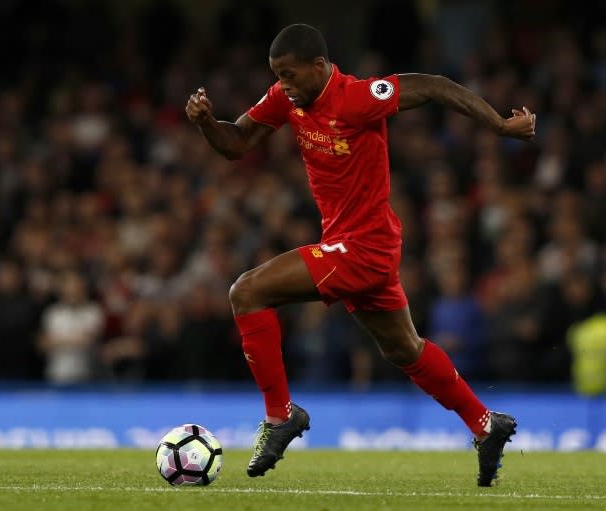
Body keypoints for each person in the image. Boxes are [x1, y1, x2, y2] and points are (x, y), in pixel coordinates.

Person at [185, 23, 536, 487]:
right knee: (404, 349)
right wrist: (208, 122)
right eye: (277, 75)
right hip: (359, 248)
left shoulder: (357, 97)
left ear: (319, 67)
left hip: (361, 246)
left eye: (290, 74)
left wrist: (497, 123)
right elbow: (238, 144)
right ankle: (485, 424)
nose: (283, 85)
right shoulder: (286, 99)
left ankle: (280, 416)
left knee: (246, 291)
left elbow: (432, 86)